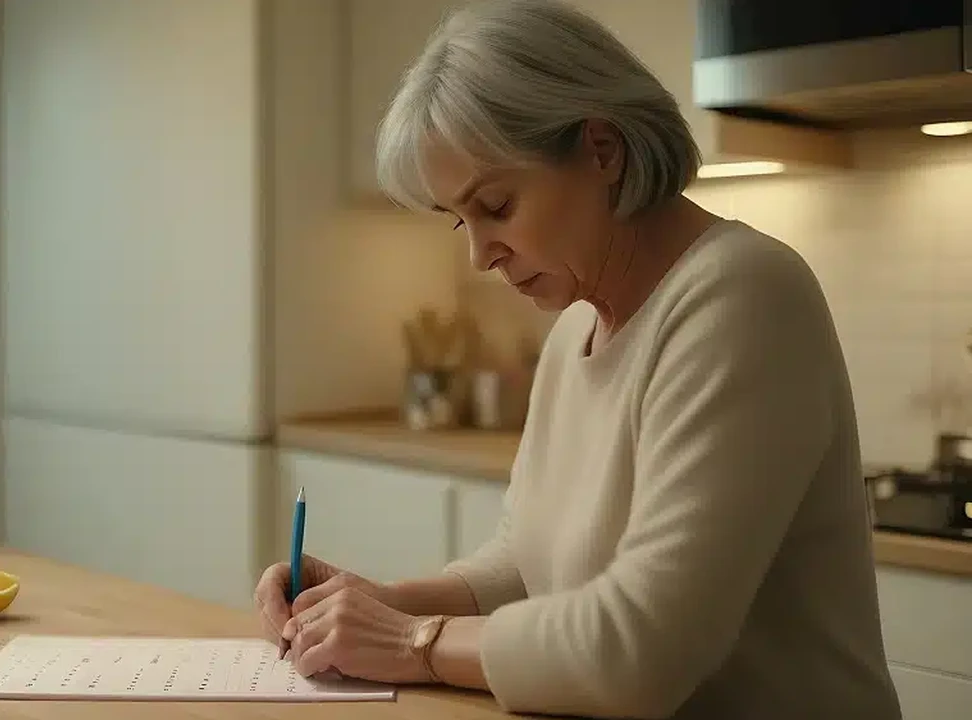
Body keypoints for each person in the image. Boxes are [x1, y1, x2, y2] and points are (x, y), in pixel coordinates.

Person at [253, 1, 904, 718]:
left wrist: (415, 640)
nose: (478, 256)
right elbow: (526, 564)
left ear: (602, 149)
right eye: (461, 220)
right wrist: (377, 605)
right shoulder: (574, 331)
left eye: (496, 206)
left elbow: (641, 651)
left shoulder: (743, 293)